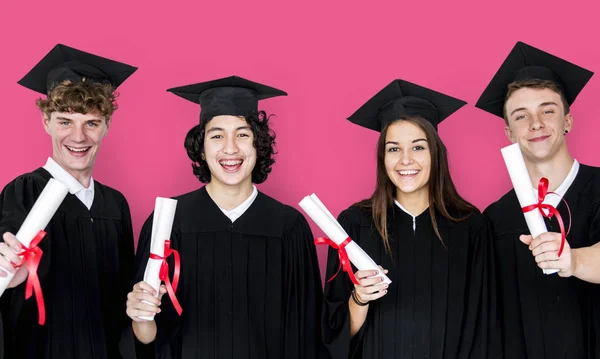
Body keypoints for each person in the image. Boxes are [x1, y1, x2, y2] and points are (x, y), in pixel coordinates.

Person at [123, 76, 324, 358]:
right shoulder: (169, 222)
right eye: (217, 135)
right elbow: (148, 338)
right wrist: (138, 315)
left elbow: (305, 333)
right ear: (201, 148)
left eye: (243, 134)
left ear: (259, 144)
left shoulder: (288, 226)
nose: (230, 148)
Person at [322, 79, 501, 359]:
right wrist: (360, 297)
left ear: (436, 153)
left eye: (418, 147)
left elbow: (483, 326)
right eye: (394, 149)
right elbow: (334, 334)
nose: (406, 160)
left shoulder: (470, 226)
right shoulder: (355, 224)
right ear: (383, 157)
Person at [0, 43, 137, 359]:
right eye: (65, 121)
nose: (78, 137)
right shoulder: (23, 192)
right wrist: (10, 277)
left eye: (91, 122)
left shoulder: (115, 205)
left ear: (107, 126)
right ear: (46, 122)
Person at [476, 41, 600, 359]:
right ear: (508, 133)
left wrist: (574, 261)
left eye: (548, 110)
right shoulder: (495, 218)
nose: (536, 124)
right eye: (521, 116)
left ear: (568, 121)